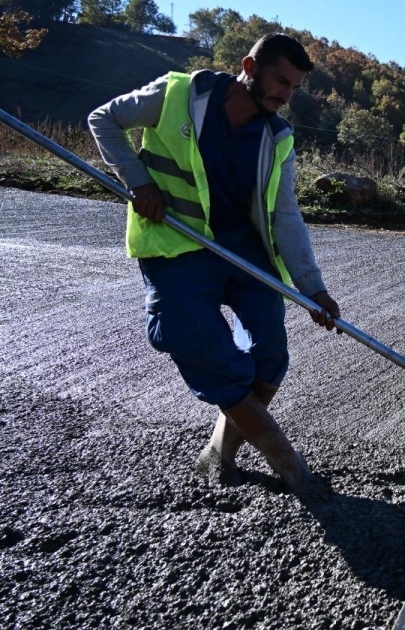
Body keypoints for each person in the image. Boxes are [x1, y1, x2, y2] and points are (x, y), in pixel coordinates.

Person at [87, 32, 341, 495]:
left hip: (242, 249)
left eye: (293, 88)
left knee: (270, 354)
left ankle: (219, 453)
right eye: (280, 81)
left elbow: (285, 215)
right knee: (199, 340)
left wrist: (312, 287)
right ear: (249, 65)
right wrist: (139, 181)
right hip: (176, 242)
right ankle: (288, 463)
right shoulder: (176, 94)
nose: (284, 95)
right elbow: (103, 118)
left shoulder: (277, 139)